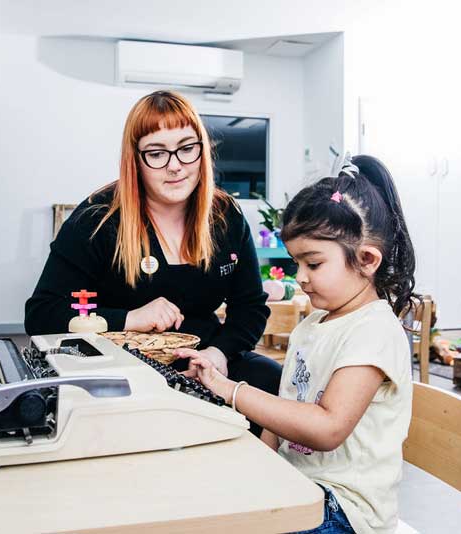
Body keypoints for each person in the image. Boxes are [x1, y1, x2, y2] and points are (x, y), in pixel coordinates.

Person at [177, 155, 416, 534]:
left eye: (314, 264)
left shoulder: (374, 330)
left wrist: (230, 390)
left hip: (347, 508)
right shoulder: (314, 324)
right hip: (299, 486)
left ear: (367, 260)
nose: (301, 278)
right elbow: (287, 407)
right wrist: (259, 466)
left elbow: (326, 429)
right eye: (295, 264)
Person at [24, 90, 281, 434]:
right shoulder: (96, 220)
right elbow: (41, 314)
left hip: (206, 360)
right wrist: (128, 318)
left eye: (187, 149)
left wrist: (219, 354)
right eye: (157, 153)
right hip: (121, 366)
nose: (175, 165)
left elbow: (250, 307)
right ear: (136, 160)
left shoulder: (226, 216)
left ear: (202, 151)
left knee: (276, 382)